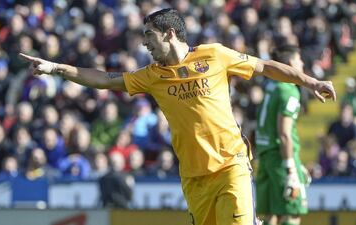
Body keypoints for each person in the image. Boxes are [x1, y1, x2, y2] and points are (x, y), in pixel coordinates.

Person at [20, 8, 336, 225]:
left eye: (149, 35)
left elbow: (265, 66)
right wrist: (57, 69)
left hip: (231, 165)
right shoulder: (152, 75)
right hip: (194, 178)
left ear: (169, 33)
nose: (144, 42)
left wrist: (310, 82)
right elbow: (104, 79)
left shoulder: (215, 54)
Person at [255, 46, 311, 225]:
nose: (302, 63)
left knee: (271, 215)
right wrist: (291, 168)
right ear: (289, 64)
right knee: (292, 212)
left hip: (265, 156)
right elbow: (285, 134)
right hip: (281, 156)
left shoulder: (271, 86)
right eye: (298, 59)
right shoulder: (288, 90)